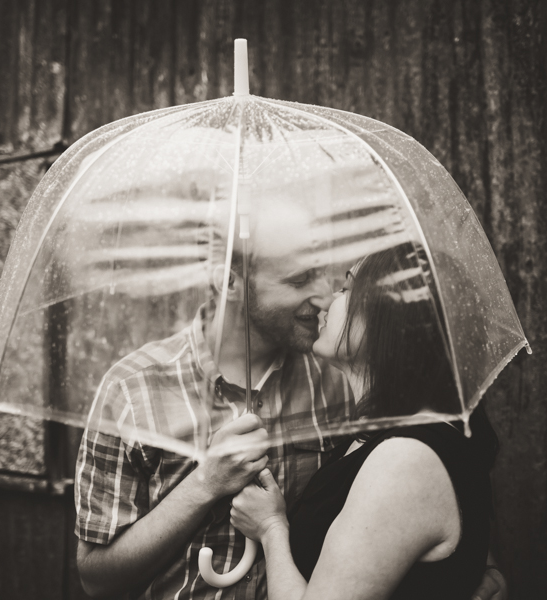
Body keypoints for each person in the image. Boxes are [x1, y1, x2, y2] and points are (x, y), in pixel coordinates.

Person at [74, 202, 508, 599]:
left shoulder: (344, 380)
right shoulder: (134, 390)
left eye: (328, 278)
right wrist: (204, 485)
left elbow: (421, 500)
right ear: (229, 280)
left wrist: (476, 571)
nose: (321, 296)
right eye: (299, 279)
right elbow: (96, 578)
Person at [230, 243, 504, 600]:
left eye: (346, 289)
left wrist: (271, 529)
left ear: (388, 318)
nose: (327, 301)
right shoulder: (381, 436)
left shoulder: (406, 459)